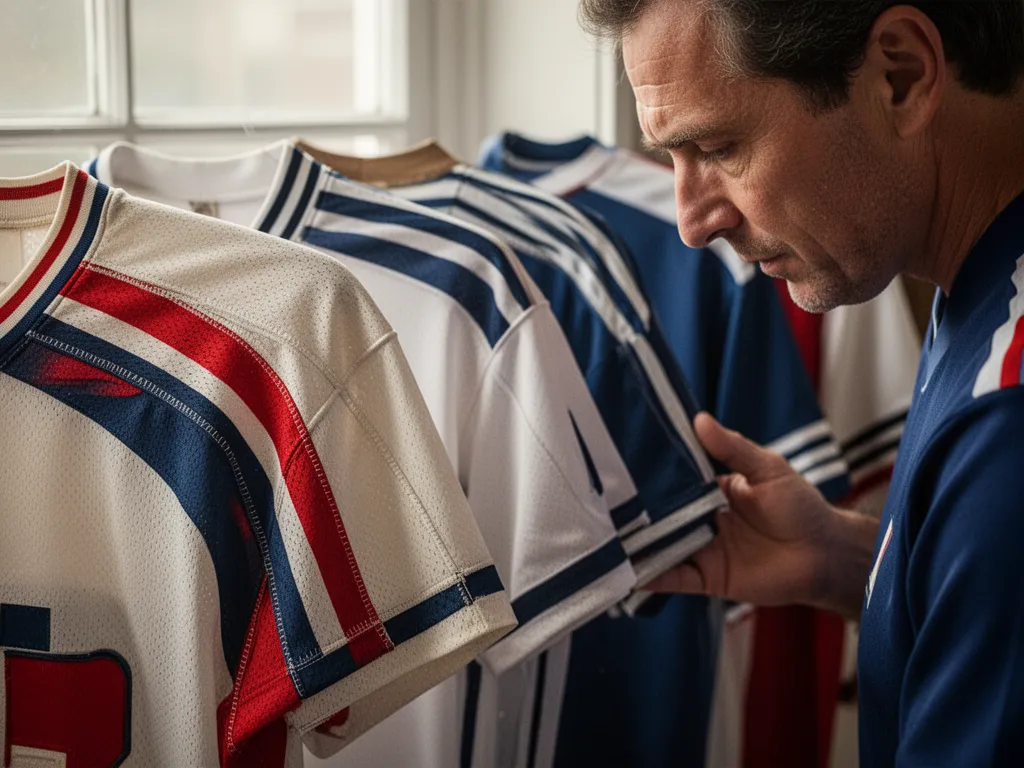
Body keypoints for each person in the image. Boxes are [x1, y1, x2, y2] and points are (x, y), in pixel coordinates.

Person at [578, 0, 1024, 763]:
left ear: (900, 74)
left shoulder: (1006, 427)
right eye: (672, 160)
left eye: (718, 147)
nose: (692, 221)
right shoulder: (979, 273)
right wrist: (846, 561)